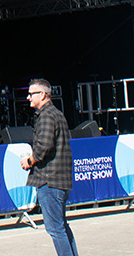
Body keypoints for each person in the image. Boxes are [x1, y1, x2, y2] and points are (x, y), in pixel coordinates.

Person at [21, 78, 78, 256]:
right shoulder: (56, 114)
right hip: (57, 180)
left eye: (32, 94)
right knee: (60, 226)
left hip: (50, 180)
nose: (28, 97)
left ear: (43, 94)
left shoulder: (46, 115)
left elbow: (43, 147)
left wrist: (29, 161)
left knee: (55, 229)